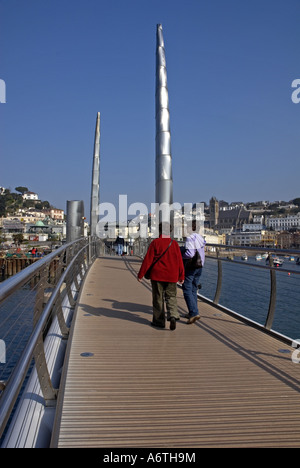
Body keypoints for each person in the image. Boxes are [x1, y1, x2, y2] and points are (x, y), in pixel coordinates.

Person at [137, 222, 185, 331]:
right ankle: (173, 315)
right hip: (172, 276)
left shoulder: (155, 243)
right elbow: (179, 262)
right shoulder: (175, 244)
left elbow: (148, 260)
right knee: (171, 297)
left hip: (157, 275)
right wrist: (182, 275)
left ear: (159, 230)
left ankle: (159, 322)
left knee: (158, 298)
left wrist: (141, 274)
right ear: (170, 231)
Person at [182, 220, 206, 324]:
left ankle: (193, 312)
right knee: (193, 289)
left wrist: (182, 256)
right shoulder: (200, 237)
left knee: (186, 289)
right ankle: (193, 310)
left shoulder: (190, 237)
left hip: (191, 266)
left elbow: (190, 253)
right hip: (200, 266)